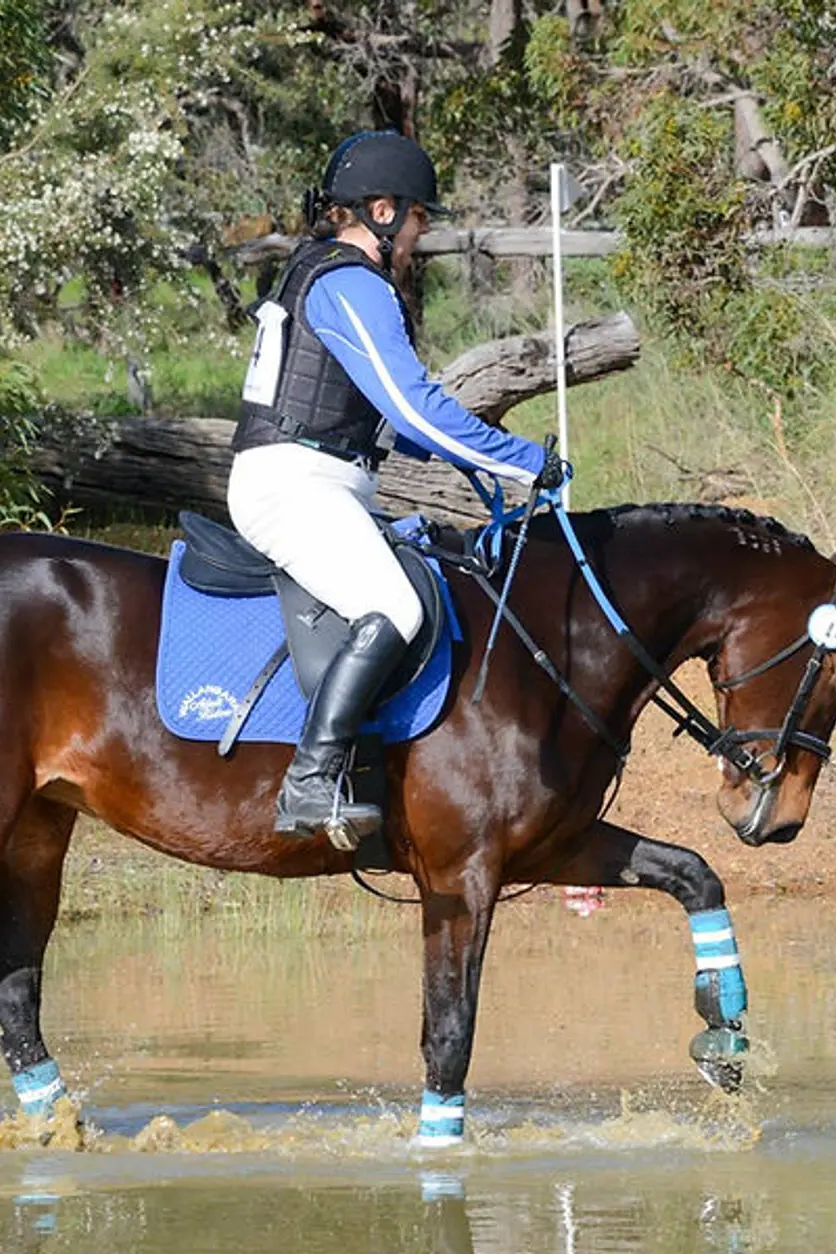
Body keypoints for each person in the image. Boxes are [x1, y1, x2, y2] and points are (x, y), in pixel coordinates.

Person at [228, 130, 566, 844]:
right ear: (381, 211)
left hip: (323, 478)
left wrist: (469, 462)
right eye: (418, 218)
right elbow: (415, 404)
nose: (421, 234)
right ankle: (309, 783)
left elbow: (393, 421)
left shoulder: (324, 274)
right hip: (293, 484)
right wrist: (519, 458)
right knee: (395, 604)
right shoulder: (350, 283)